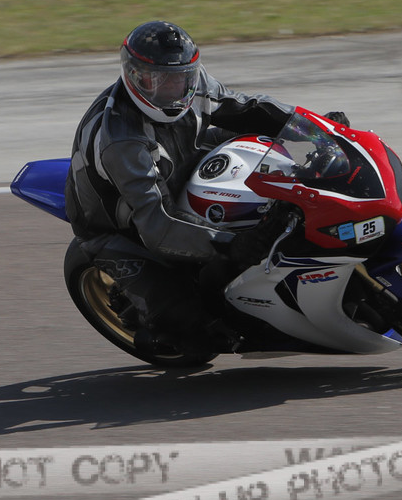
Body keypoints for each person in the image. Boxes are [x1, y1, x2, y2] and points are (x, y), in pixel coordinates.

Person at [65, 20, 298, 361]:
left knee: (269, 166)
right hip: (121, 226)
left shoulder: (195, 83)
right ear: (133, 75)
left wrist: (309, 127)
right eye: (157, 79)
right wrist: (232, 245)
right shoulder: (123, 140)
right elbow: (158, 225)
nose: (173, 88)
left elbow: (245, 107)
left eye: (180, 78)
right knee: (196, 334)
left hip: (181, 166)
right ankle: (155, 325)